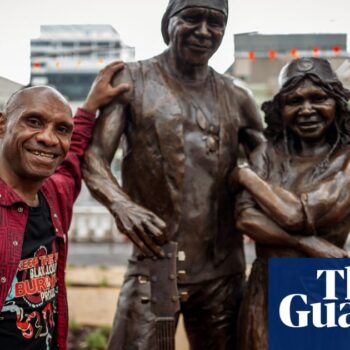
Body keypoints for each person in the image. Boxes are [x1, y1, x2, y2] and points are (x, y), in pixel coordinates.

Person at [82, 1, 265, 349]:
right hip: (155, 263)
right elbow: (94, 157)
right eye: (192, 18)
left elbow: (269, 163)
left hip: (223, 270)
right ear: (169, 22)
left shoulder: (238, 95)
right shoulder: (131, 80)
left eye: (215, 22)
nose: (204, 31)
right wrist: (123, 206)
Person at [0, 61, 129, 350]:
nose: (48, 138)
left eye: (62, 129)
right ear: (2, 125)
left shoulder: (55, 195)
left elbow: (71, 164)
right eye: (33, 121)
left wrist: (90, 106)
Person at [233, 57, 350, 350]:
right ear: (280, 109)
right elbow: (246, 219)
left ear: (336, 103)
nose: (307, 110)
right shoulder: (267, 154)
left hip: (322, 287)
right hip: (268, 285)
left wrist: (246, 176)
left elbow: (296, 214)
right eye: (294, 101)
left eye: (318, 98)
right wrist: (309, 245)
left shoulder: (346, 159)